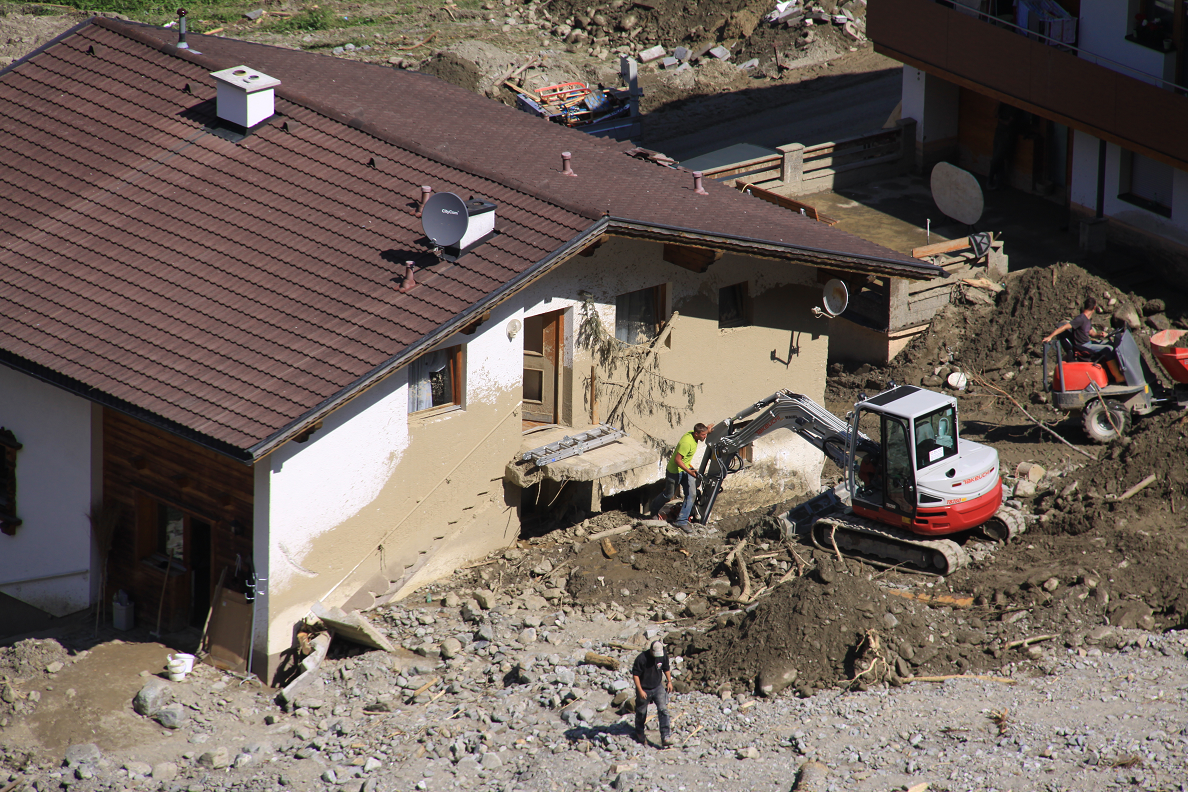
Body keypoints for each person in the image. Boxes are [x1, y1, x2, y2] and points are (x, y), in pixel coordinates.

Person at [647, 422, 712, 530]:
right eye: (703, 435)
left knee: (691, 494)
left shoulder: (694, 434)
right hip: (675, 471)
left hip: (686, 469)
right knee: (668, 495)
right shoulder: (687, 443)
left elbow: (702, 432)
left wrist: (708, 430)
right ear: (696, 434)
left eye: (705, 434)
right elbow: (677, 460)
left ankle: (681, 521)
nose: (705, 437)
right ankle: (653, 509)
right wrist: (689, 471)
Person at [631, 641, 674, 748]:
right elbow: (636, 675)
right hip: (644, 687)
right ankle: (639, 731)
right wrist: (640, 690)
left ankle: (665, 736)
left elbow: (666, 668)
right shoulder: (641, 659)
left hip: (657, 686)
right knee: (641, 711)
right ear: (651, 650)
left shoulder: (663, 655)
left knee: (663, 709)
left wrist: (669, 681)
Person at [1043, 297, 1111, 356]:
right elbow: (1064, 327)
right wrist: (1050, 336)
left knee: (1110, 343)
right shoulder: (1080, 319)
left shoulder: (1087, 319)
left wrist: (1100, 335)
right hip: (1083, 346)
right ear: (1094, 307)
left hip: (1088, 343)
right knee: (1109, 348)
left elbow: (1092, 333)